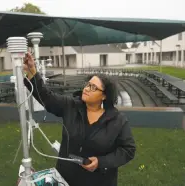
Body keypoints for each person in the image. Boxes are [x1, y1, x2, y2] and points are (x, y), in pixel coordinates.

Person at [23, 53, 136, 186]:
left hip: (99, 181)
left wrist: (101, 162)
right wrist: (32, 72)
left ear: (104, 96)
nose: (86, 89)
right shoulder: (71, 106)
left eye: (93, 87)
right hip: (66, 179)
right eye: (88, 84)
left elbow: (128, 150)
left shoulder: (118, 120)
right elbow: (47, 97)